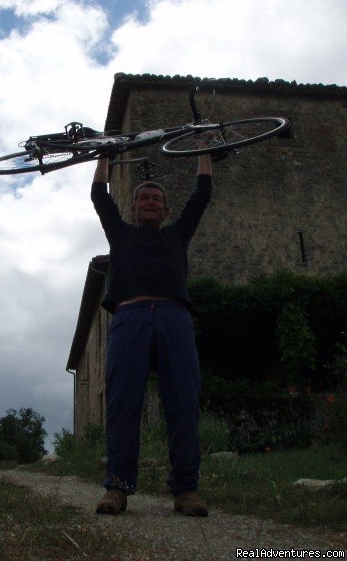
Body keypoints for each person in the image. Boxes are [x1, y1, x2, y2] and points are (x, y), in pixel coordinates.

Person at [91, 148, 212, 516]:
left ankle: (185, 490)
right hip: (130, 319)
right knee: (122, 403)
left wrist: (204, 150)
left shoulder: (177, 234)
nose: (149, 201)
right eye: (143, 197)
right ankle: (118, 488)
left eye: (156, 199)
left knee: (183, 402)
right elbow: (99, 195)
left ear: (165, 210)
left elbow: (202, 194)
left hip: (174, 319)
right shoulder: (121, 234)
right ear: (133, 208)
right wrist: (103, 158)